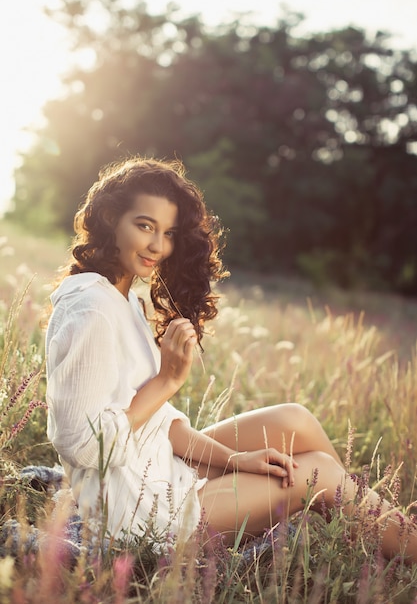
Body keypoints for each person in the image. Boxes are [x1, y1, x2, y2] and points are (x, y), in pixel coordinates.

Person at [46, 156, 417, 562]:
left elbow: (155, 425)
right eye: (144, 225)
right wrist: (166, 381)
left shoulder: (124, 299)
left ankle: (362, 524)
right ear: (109, 217)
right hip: (132, 513)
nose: (157, 245)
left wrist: (237, 461)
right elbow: (82, 446)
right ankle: (384, 535)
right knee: (320, 471)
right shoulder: (92, 310)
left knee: (295, 421)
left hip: (155, 469)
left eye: (168, 233)